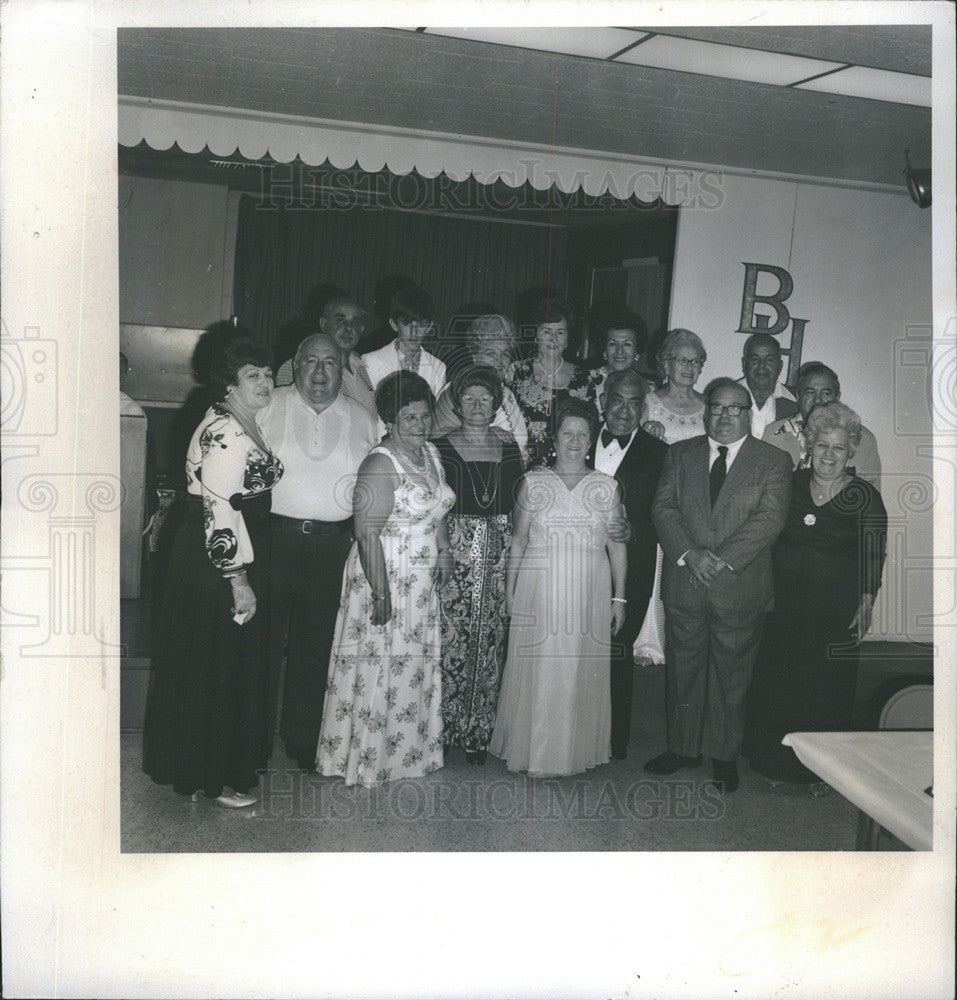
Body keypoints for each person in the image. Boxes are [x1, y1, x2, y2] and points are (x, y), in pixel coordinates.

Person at [143, 337, 283, 808]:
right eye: (252, 376)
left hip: (231, 552)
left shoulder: (241, 422)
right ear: (229, 383)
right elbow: (220, 512)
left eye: (267, 373)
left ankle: (209, 770)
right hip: (220, 560)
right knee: (220, 662)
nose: (265, 382)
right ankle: (214, 779)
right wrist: (238, 581)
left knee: (220, 661)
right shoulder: (226, 431)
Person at [646, 377, 791, 793]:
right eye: (716, 408)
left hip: (739, 585)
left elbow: (769, 520)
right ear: (705, 411)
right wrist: (690, 554)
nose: (724, 416)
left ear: (748, 414)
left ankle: (724, 757)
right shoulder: (679, 454)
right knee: (684, 670)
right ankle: (683, 749)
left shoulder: (772, 461)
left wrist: (721, 560)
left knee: (733, 676)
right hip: (685, 580)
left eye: (734, 409)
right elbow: (664, 507)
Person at [317, 371, 455, 787]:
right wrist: (381, 593)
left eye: (424, 416)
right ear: (390, 421)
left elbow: (438, 509)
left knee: (410, 664)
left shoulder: (430, 454)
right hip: (386, 572)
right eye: (408, 418)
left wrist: (445, 551)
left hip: (421, 579)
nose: (419, 425)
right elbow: (365, 533)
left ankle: (406, 754)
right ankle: (368, 757)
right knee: (380, 660)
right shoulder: (380, 462)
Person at [744, 402, 887, 783]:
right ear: (809, 444)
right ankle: (771, 764)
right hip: (783, 604)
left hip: (833, 610)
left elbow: (874, 551)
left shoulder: (865, 496)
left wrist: (867, 601)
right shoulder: (788, 483)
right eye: (822, 445)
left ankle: (820, 773)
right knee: (777, 684)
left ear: (851, 451)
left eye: (838, 448)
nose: (828, 454)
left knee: (825, 689)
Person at [258, 333, 379, 771]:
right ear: (296, 364)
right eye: (311, 361)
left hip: (332, 547)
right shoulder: (268, 404)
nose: (321, 372)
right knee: (263, 644)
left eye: (330, 363)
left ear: (341, 367)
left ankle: (303, 739)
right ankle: (253, 740)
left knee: (317, 647)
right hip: (274, 540)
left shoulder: (364, 417)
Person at [490, 399, 627, 777]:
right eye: (567, 432)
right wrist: (510, 590)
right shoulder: (533, 483)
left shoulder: (607, 487)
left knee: (578, 669)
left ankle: (571, 752)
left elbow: (617, 545)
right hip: (541, 588)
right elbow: (518, 541)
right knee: (542, 669)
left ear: (592, 440)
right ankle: (537, 751)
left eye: (583, 434)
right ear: (554, 438)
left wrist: (619, 597)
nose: (574, 440)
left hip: (589, 590)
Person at [434, 366, 526, 764]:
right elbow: (435, 503)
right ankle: (441, 729)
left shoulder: (508, 445)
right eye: (468, 398)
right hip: (455, 550)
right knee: (450, 639)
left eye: (484, 399)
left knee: (489, 642)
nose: (476, 405)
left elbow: (521, 500)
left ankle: (477, 733)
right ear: (457, 403)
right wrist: (443, 549)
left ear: (496, 405)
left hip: (500, 553)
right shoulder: (438, 446)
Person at [591, 369, 668, 759]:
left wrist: (635, 531)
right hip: (576, 563)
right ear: (604, 400)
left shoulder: (659, 453)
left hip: (631, 565)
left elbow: (667, 513)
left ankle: (612, 741)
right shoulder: (578, 439)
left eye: (634, 402)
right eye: (617, 399)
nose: (624, 409)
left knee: (617, 651)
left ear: (643, 407)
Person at [506, 296, 596, 467]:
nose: (553, 339)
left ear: (568, 339)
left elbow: (590, 430)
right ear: (535, 336)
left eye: (560, 332)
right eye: (546, 332)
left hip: (567, 467)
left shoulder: (584, 379)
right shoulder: (516, 372)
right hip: (521, 466)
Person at [763, 361, 882, 489]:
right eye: (810, 392)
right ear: (798, 395)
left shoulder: (863, 439)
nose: (818, 400)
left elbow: (871, 497)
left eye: (826, 393)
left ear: (837, 397)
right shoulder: (773, 435)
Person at [431, 314, 528, 457]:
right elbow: (436, 441)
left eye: (505, 354)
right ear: (474, 355)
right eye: (490, 353)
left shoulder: (507, 394)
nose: (499, 361)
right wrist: (488, 434)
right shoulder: (458, 390)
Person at [274, 296, 376, 419]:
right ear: (323, 324)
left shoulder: (362, 365)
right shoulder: (295, 367)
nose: (349, 328)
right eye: (340, 320)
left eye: (355, 322)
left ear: (362, 329)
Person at [361, 284, 447, 399]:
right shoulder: (369, 362)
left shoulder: (438, 368)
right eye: (407, 324)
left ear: (429, 326)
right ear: (394, 324)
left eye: (421, 325)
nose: (414, 332)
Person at [640, 328, 708, 443]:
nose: (689, 367)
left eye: (695, 361)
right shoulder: (648, 403)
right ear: (666, 365)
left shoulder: (709, 405)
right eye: (682, 360)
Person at [586, 306, 651, 414]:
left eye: (627, 344)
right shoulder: (586, 381)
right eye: (613, 343)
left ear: (637, 352)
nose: (619, 351)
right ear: (605, 350)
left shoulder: (648, 388)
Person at [738, 332, 798, 439]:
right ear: (744, 364)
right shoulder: (725, 398)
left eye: (769, 360)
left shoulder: (795, 403)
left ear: (780, 366)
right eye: (755, 360)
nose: (762, 366)